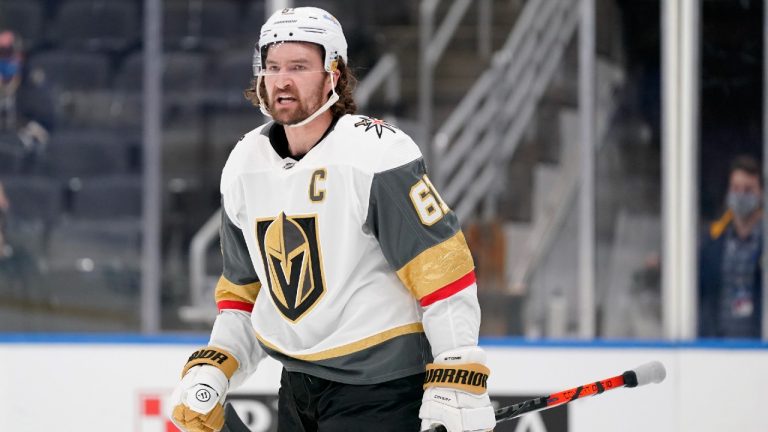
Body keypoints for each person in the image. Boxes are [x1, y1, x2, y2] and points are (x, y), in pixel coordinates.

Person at [168, 7, 495, 432]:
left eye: (299, 67)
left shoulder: (377, 154)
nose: (281, 80)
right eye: (272, 67)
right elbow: (244, 294)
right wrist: (215, 367)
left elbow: (442, 270)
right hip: (297, 386)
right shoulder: (244, 163)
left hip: (381, 389)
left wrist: (456, 367)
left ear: (333, 75)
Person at [699, 155, 763, 339]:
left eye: (748, 190)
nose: (741, 195)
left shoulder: (763, 241)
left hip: (758, 344)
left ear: (760, 193)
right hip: (719, 344)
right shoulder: (713, 242)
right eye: (736, 188)